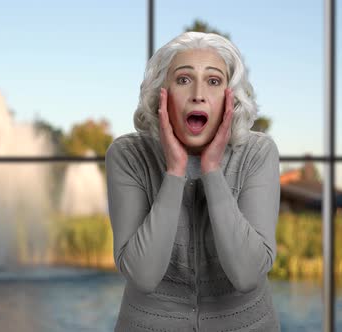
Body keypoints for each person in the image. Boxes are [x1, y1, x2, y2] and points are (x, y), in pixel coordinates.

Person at [105, 31, 281, 331]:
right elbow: (143, 277)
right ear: (162, 93)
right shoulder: (127, 154)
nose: (198, 93)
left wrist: (211, 170)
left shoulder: (258, 152)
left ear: (230, 97)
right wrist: (175, 172)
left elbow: (247, 276)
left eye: (213, 81)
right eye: (183, 79)